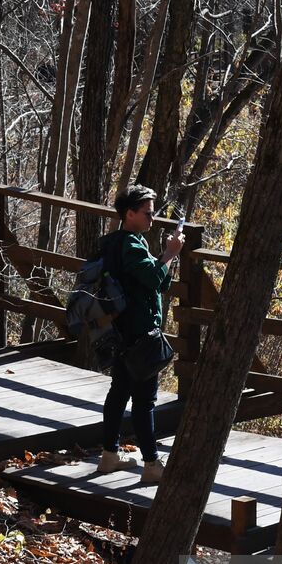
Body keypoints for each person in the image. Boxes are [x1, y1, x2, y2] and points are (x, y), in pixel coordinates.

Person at [97, 185, 185, 483]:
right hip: (139, 334)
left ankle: (109, 455)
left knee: (119, 392)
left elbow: (154, 282)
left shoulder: (111, 243)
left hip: (118, 330)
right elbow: (153, 279)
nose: (152, 218)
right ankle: (152, 465)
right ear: (129, 213)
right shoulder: (132, 245)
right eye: (147, 213)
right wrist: (171, 254)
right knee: (145, 400)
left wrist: (162, 259)